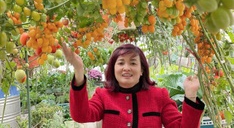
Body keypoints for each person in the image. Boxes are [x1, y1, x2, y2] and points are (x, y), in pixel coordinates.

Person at [62, 43, 205, 128]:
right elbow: (81, 115)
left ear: (142, 70)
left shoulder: (158, 96)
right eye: (121, 62)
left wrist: (191, 95)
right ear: (113, 68)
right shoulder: (103, 95)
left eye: (133, 63)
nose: (126, 68)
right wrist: (79, 70)